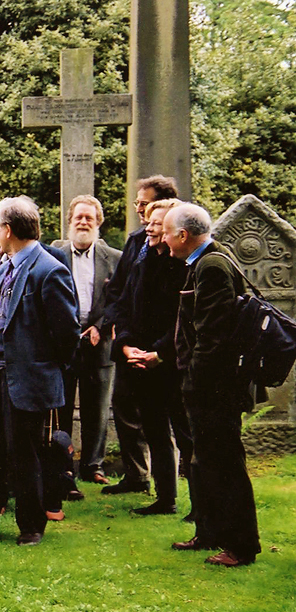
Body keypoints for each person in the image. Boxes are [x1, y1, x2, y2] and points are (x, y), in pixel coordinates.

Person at [0, 197, 79, 547]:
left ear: (8, 230)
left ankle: (31, 525)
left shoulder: (48, 269)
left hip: (25, 380)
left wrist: (41, 367)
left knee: (23, 454)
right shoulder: (1, 266)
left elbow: (67, 334)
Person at [163, 203, 260, 567]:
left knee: (225, 464)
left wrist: (193, 384)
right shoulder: (207, 261)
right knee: (205, 462)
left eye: (168, 233)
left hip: (214, 389)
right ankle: (211, 532)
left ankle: (241, 546)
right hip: (209, 386)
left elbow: (212, 336)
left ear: (184, 236)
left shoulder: (213, 266)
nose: (165, 239)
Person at [112, 200, 190, 516]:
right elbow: (125, 303)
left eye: (157, 223)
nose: (150, 227)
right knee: (155, 430)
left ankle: (201, 506)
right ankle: (166, 498)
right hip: (142, 361)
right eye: (149, 221)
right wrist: (126, 345)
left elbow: (181, 319)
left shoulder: (181, 266)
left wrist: (160, 352)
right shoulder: (143, 260)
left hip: (170, 362)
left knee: (184, 435)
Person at [103, 175, 179, 496]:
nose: (140, 211)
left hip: (161, 353)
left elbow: (171, 311)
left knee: (162, 422)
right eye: (138, 204)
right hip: (130, 345)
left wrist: (155, 351)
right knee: (123, 406)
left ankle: (170, 488)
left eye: (144, 204)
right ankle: (136, 475)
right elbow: (120, 293)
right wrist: (124, 342)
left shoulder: (176, 259)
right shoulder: (137, 243)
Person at [55, 195, 121, 485]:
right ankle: (63, 465)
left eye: (89, 218)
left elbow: (119, 299)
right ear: (69, 221)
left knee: (97, 410)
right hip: (64, 344)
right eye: (78, 217)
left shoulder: (115, 259)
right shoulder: (54, 253)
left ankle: (93, 466)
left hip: (100, 344)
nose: (83, 222)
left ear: (98, 223)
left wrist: (99, 326)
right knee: (62, 408)